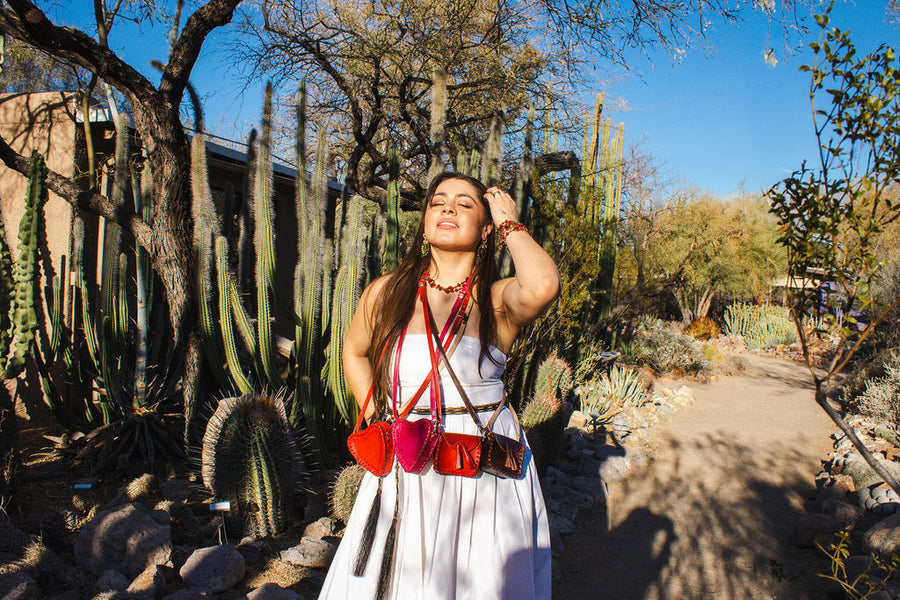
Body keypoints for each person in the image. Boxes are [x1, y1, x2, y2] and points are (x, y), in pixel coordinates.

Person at [319, 172, 559, 599]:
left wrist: (509, 223)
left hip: (479, 471)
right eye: (438, 201)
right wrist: (376, 413)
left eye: (465, 204)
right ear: (425, 219)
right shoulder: (385, 293)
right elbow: (353, 352)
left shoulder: (497, 300)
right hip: (406, 464)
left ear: (485, 230)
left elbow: (543, 284)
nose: (448, 208)